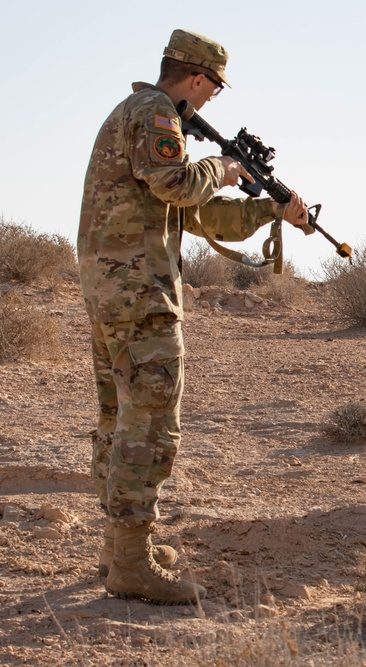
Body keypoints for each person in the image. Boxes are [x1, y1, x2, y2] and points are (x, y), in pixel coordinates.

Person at [78, 29, 313, 605]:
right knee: (151, 423)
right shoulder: (157, 112)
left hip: (114, 288)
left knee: (121, 417)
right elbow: (180, 184)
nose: (211, 101)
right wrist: (224, 166)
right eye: (212, 89)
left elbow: (207, 218)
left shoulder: (138, 114)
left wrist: (273, 210)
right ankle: (130, 563)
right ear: (197, 78)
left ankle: (120, 547)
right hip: (139, 291)